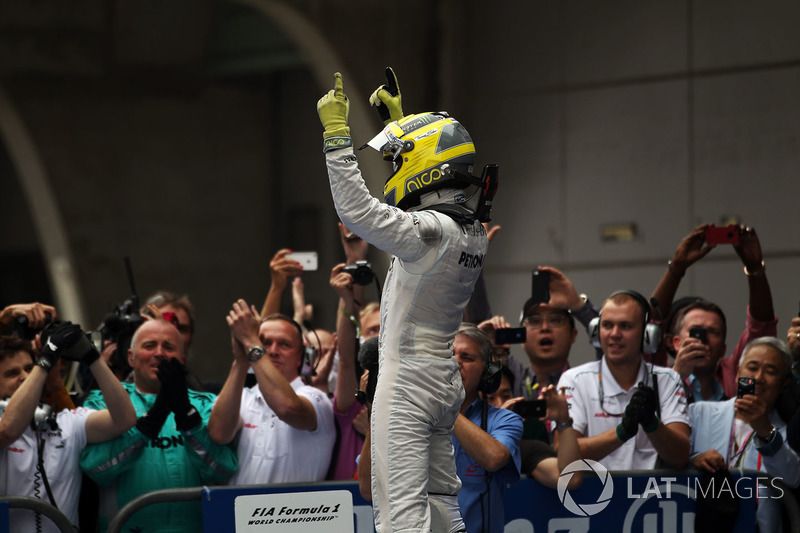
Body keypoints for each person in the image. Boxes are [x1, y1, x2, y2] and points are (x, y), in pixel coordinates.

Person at [317, 68, 496, 531]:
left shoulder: (431, 233)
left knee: (399, 518)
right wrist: (399, 121)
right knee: (442, 509)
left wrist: (337, 135)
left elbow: (358, 211)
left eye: (400, 160)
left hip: (408, 385)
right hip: (442, 383)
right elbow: (414, 198)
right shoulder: (470, 231)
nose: (397, 169)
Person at [80, 319, 237, 532]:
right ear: (131, 357)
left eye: (169, 347)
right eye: (149, 345)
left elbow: (222, 470)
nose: (159, 353)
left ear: (182, 358)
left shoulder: (205, 403)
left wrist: (187, 417)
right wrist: (152, 421)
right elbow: (97, 469)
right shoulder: (102, 402)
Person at [0, 323, 136, 533]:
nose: (25, 377)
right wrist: (45, 360)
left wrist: (92, 357)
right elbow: (8, 430)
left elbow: (124, 419)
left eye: (29, 368)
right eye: (11, 373)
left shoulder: (65, 421)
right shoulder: (4, 425)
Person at [557, 290, 690, 470]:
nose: (615, 334)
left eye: (625, 326)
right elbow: (564, 452)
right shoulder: (574, 380)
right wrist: (622, 433)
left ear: (646, 334)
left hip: (650, 494)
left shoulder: (667, 380)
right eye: (607, 325)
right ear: (597, 331)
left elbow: (680, 455)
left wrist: (652, 424)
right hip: (594, 494)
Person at [209, 305, 335, 484]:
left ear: (300, 356)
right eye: (265, 343)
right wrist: (240, 361)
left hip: (298, 511)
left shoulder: (316, 398)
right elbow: (219, 433)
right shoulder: (243, 397)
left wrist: (253, 344)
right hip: (243, 511)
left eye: (284, 344)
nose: (273, 351)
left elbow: (287, 408)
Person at [650, 225, 777, 396]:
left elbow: (762, 332)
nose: (703, 339)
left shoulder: (736, 378)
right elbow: (651, 329)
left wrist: (755, 269)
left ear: (723, 349)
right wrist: (676, 268)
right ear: (674, 342)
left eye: (713, 332)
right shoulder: (657, 379)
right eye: (695, 331)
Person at [690, 337, 800, 532]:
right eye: (752, 367)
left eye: (771, 371)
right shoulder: (699, 412)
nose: (758, 377)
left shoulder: (784, 431)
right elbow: (668, 458)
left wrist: (764, 429)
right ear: (737, 374)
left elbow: (792, 477)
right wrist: (694, 460)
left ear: (783, 384)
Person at [451, 325, 522, 533]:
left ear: (487, 373)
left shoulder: (504, 419)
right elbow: (367, 487)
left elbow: (494, 458)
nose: (455, 362)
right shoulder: (412, 419)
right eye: (448, 354)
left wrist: (447, 407)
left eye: (467, 357)